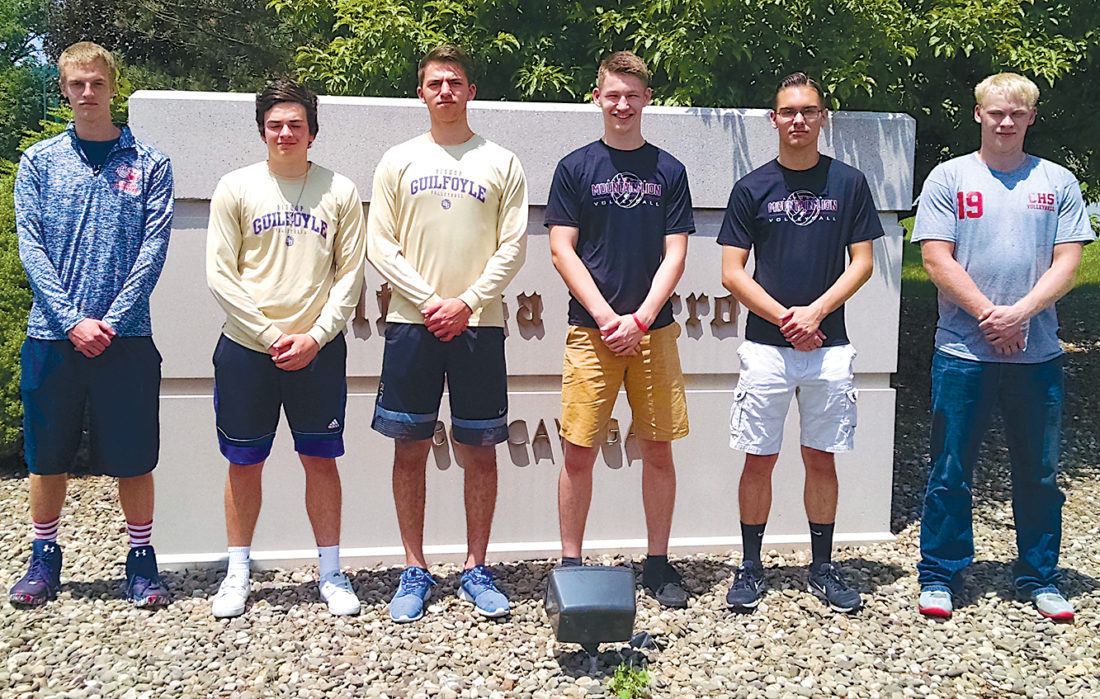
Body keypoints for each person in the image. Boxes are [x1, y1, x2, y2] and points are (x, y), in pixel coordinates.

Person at [912, 73, 1094, 622]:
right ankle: (940, 574)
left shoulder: (1057, 181)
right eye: (996, 112)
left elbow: (1069, 260)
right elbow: (935, 258)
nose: (1006, 122)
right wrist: (990, 315)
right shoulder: (949, 177)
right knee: (950, 469)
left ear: (1032, 117)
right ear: (979, 115)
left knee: (1039, 473)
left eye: (1017, 113)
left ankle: (1039, 576)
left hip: (1037, 356)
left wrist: (1021, 314)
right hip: (962, 354)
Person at [9, 42, 173, 608]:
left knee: (135, 458)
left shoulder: (150, 163)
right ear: (63, 89)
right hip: (52, 337)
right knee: (46, 457)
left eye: (97, 83)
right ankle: (43, 559)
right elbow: (31, 248)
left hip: (127, 339)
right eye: (77, 84)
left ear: (112, 86)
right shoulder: (39, 162)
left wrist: (111, 320)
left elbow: (153, 249)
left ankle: (141, 562)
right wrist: (73, 319)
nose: (87, 93)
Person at [367, 45, 528, 623]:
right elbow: (380, 244)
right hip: (413, 325)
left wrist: (467, 302)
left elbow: (513, 246)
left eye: (454, 82)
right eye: (435, 83)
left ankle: (476, 568)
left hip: (478, 327)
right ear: (421, 93)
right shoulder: (398, 160)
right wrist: (431, 301)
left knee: (479, 450)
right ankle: (414, 568)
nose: (445, 91)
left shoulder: (501, 162)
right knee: (408, 449)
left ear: (470, 91)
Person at [719, 72, 883, 614]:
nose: (798, 120)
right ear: (774, 119)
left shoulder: (849, 183)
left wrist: (816, 313)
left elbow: (863, 262)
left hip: (829, 347)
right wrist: (787, 319)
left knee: (821, 458)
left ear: (822, 118)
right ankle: (750, 567)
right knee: (758, 459)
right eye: (788, 111)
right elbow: (732, 272)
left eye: (808, 111)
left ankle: (822, 567)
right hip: (767, 348)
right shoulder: (752, 187)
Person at [205, 78, 366, 618]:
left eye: (296, 124)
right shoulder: (235, 187)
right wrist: (272, 336)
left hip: (318, 351)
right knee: (243, 462)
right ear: (261, 131)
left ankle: (332, 572)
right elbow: (221, 275)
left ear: (312, 131)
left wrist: (315, 336)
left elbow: (350, 276)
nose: (285, 133)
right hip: (247, 350)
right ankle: (237, 573)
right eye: (275, 124)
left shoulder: (339, 191)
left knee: (320, 461)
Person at [545, 51, 693, 608]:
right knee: (578, 451)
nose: (622, 104)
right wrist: (609, 318)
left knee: (658, 450)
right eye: (613, 95)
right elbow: (562, 249)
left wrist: (642, 318)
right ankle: (570, 567)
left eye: (632, 95)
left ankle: (658, 563)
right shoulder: (575, 167)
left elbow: (675, 254)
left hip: (654, 332)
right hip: (592, 332)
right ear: (597, 98)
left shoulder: (669, 170)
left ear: (647, 99)